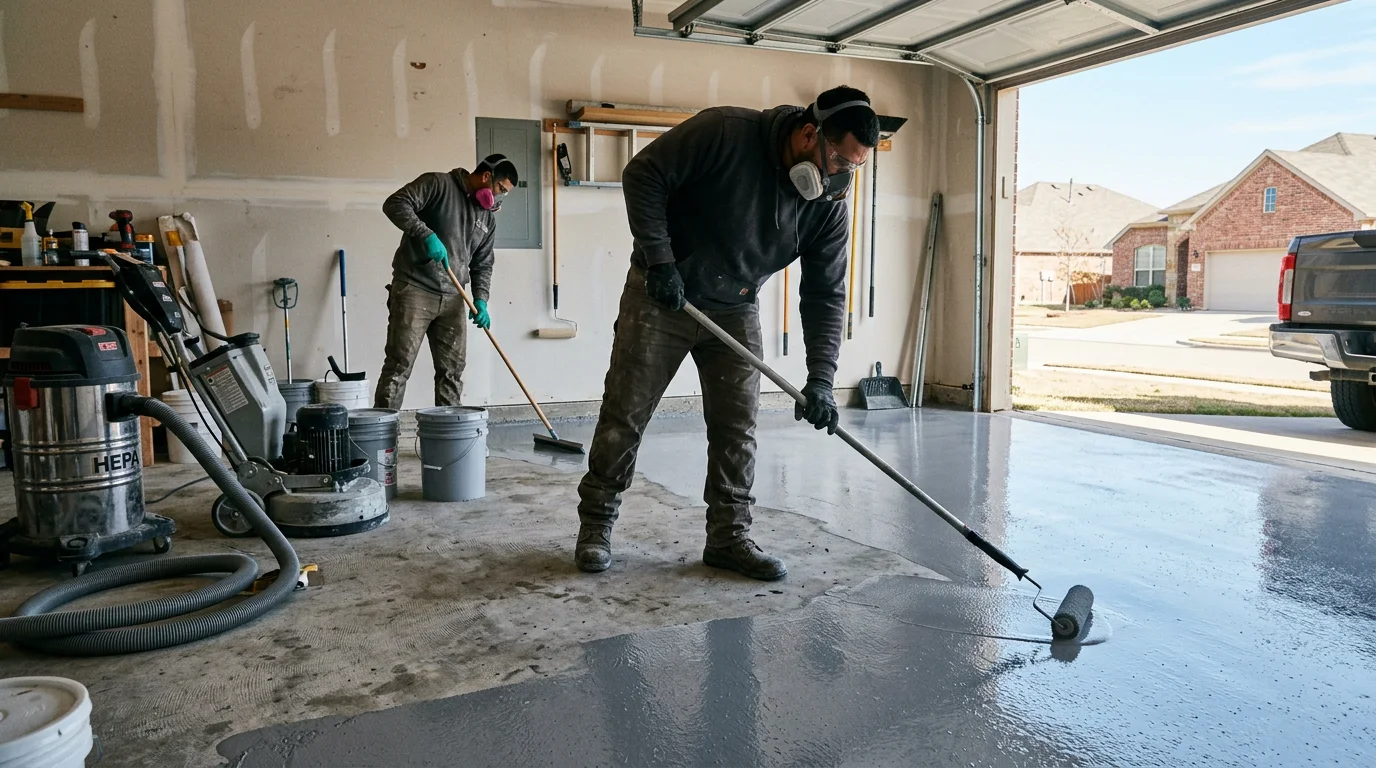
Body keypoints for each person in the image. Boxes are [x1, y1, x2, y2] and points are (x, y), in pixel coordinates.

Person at [574, 86, 881, 581]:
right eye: (838, 162)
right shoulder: (725, 133)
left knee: (738, 427)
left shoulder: (827, 204)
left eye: (853, 169)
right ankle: (596, 525)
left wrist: (821, 379)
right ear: (809, 135)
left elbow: (825, 294)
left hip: (736, 305)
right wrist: (660, 262)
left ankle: (728, 536)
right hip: (663, 295)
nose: (840, 179)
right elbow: (643, 174)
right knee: (625, 414)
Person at [375, 154, 519, 409]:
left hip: (453, 296)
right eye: (500, 189)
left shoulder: (487, 219)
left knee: (452, 372)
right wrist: (425, 234)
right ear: (487, 176)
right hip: (415, 288)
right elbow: (395, 203)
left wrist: (481, 300)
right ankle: (384, 443)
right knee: (399, 365)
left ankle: (448, 441)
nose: (499, 198)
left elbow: (483, 263)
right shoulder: (438, 185)